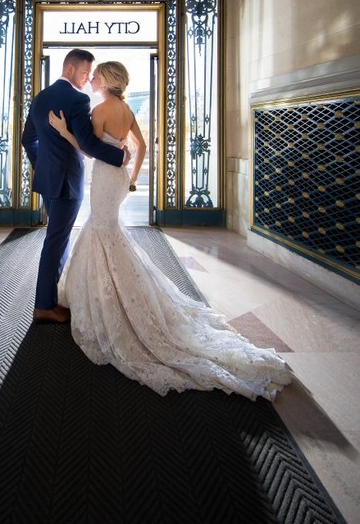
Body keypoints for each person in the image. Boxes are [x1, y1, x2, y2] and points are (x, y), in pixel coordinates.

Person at [49, 60, 291, 401]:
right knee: (107, 231)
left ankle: (107, 297)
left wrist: (62, 131)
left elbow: (89, 148)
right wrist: (131, 179)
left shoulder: (102, 108)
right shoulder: (125, 109)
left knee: (101, 230)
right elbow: (142, 148)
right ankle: (114, 287)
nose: (94, 79)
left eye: (97, 75)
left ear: (106, 80)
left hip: (105, 177)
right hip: (118, 181)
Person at [21, 49, 129, 324]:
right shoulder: (77, 99)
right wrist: (120, 157)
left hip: (48, 179)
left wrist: (44, 165)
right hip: (67, 181)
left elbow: (27, 140)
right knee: (56, 240)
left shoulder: (40, 98)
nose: (86, 79)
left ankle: (54, 297)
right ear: (70, 70)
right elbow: (89, 144)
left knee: (58, 238)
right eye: (84, 73)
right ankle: (44, 305)